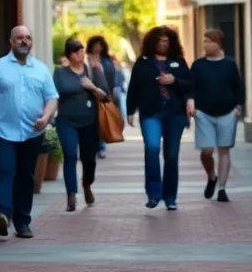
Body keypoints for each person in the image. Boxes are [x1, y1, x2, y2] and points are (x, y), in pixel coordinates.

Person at [0, 25, 58, 239]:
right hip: (3, 131)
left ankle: (23, 222)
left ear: (31, 42)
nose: (24, 41)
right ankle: (2, 214)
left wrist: (46, 116)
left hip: (32, 132)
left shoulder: (41, 69)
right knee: (5, 170)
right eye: (20, 38)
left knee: (25, 176)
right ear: (11, 42)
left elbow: (52, 97)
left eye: (28, 38)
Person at [127, 25, 192, 210]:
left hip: (175, 114)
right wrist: (130, 111)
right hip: (150, 113)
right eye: (159, 40)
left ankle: (170, 197)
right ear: (152, 42)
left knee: (171, 156)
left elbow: (190, 84)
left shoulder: (178, 61)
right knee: (152, 148)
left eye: (166, 40)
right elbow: (134, 87)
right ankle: (154, 194)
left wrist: (175, 80)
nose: (163, 43)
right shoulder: (143, 62)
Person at [53, 38, 110, 211]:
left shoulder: (93, 71)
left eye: (81, 50)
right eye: (76, 51)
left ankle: (87, 185)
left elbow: (106, 96)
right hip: (66, 121)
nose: (80, 53)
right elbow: (54, 95)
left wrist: (92, 87)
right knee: (70, 156)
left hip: (89, 121)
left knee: (89, 159)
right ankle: (71, 195)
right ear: (69, 55)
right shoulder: (60, 73)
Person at [187, 29, 244, 202]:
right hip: (203, 113)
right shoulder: (198, 65)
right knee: (206, 151)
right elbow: (191, 87)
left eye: (209, 41)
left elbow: (238, 87)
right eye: (204, 41)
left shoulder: (229, 64)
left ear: (219, 44)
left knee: (223, 149)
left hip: (227, 112)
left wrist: (238, 107)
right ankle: (212, 177)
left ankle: (222, 189)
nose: (205, 44)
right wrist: (191, 104)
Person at [87, 36, 115, 159]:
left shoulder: (106, 61)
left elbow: (111, 79)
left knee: (102, 120)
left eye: (99, 45)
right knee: (91, 122)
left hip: (103, 93)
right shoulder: (85, 58)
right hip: (88, 94)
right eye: (95, 45)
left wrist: (110, 95)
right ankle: (92, 146)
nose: (97, 48)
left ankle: (102, 147)